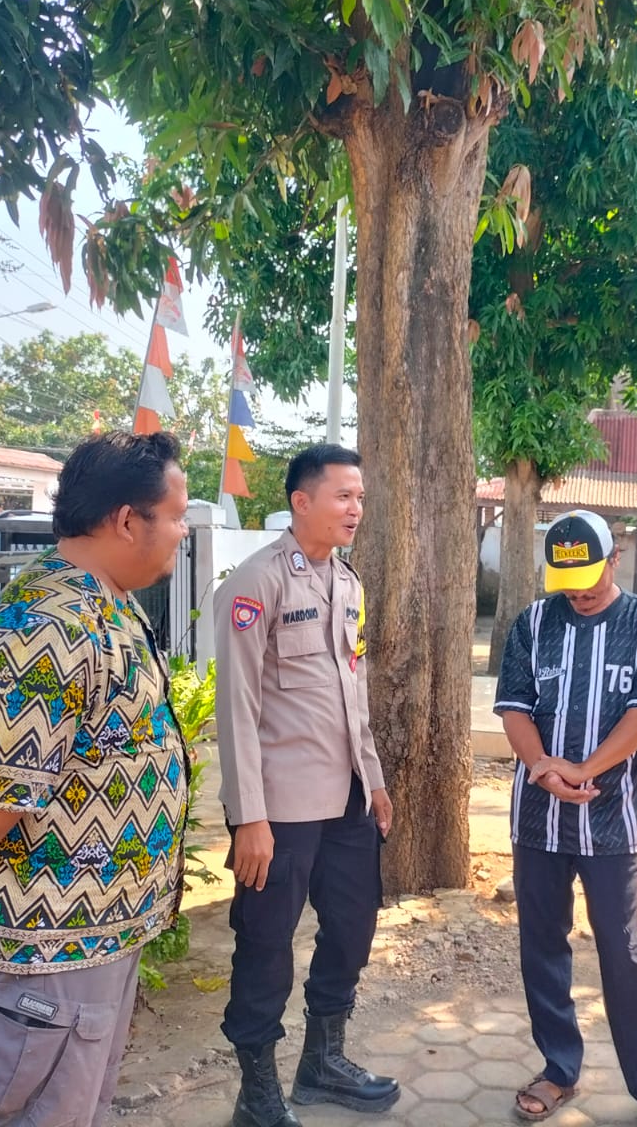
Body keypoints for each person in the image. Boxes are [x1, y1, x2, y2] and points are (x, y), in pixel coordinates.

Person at [0, 431, 192, 1127]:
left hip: (93, 936)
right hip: (47, 950)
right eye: (177, 516)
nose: (183, 533)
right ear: (127, 520)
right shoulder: (43, 625)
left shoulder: (106, 604)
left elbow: (35, 771)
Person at [215, 444, 397, 1127]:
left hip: (347, 798)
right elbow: (237, 709)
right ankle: (256, 1092)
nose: (356, 509)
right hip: (281, 809)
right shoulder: (255, 583)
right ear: (302, 501)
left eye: (360, 498)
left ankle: (322, 1064)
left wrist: (373, 779)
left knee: (352, 928)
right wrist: (248, 818)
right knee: (266, 946)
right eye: (344, 496)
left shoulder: (348, 584)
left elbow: (355, 691)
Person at [493, 510, 637, 1127]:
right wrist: (544, 768)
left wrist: (583, 770)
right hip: (537, 819)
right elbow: (515, 708)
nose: (578, 594)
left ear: (615, 559)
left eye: (588, 579)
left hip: (611, 819)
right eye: (567, 582)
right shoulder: (533, 622)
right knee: (542, 944)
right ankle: (559, 1069)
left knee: (622, 950)